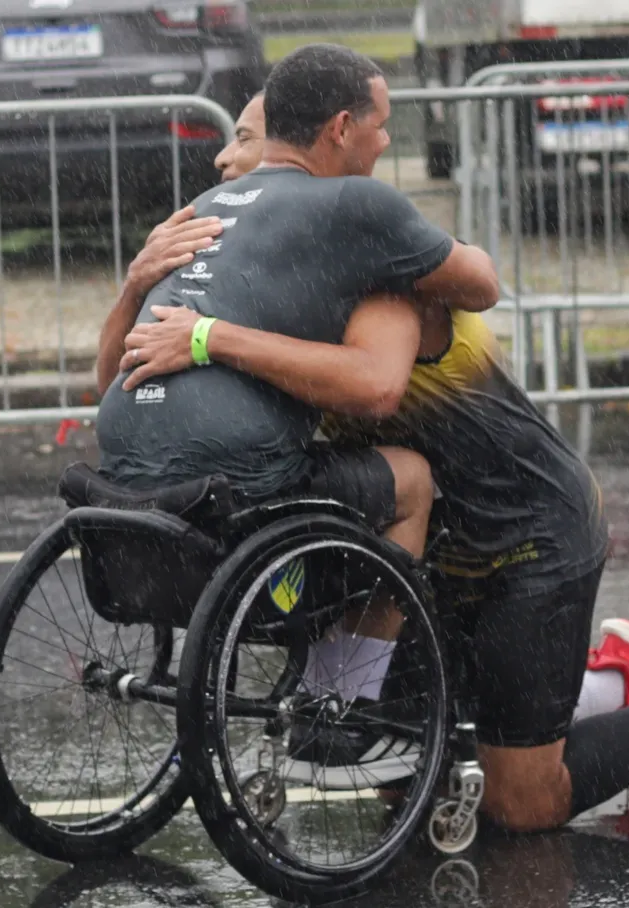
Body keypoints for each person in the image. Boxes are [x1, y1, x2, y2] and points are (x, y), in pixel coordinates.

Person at [113, 83, 629, 830]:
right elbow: (124, 379)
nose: (225, 157)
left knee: (522, 803)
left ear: (307, 149)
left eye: (243, 139)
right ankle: (606, 685)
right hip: (423, 539)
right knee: (402, 772)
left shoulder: (377, 270)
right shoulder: (236, 270)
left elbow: (377, 384)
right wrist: (137, 289)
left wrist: (211, 338)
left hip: (524, 532)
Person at [94, 44, 500, 785]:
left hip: (123, 477)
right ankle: (337, 703)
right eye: (382, 125)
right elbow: (481, 284)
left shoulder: (203, 210)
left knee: (320, 475)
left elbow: (104, 383)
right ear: (342, 127)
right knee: (407, 481)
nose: (387, 142)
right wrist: (416, 260)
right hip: (233, 489)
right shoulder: (353, 203)